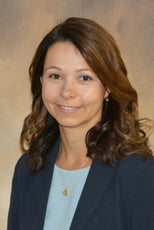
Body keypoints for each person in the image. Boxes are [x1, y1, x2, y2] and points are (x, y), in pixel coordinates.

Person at [7, 17, 154, 230]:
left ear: (107, 88)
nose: (67, 92)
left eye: (84, 78)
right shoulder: (28, 169)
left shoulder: (140, 173)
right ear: (41, 82)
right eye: (55, 76)